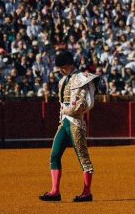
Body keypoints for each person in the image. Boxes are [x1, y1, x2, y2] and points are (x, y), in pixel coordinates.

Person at [39, 50, 99, 203]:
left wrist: (69, 110)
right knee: (54, 155)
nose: (60, 70)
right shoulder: (62, 81)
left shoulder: (82, 78)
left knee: (83, 158)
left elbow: (86, 103)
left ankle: (87, 192)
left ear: (71, 65)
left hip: (76, 122)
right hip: (64, 122)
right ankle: (55, 191)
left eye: (63, 67)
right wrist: (65, 112)